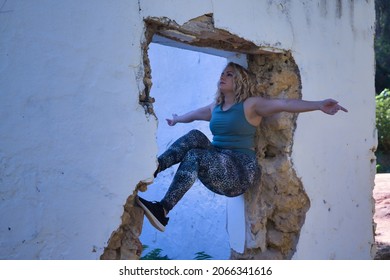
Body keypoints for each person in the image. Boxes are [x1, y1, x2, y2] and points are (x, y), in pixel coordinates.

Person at [136, 62, 348, 232]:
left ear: (240, 81)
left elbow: (284, 104)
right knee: (195, 136)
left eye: (229, 74)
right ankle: (152, 170)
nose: (223, 77)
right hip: (218, 162)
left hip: (239, 171)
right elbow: (196, 115)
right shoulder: (216, 107)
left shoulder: (251, 105)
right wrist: (178, 119)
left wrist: (319, 105)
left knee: (195, 156)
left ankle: (163, 209)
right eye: (222, 73)